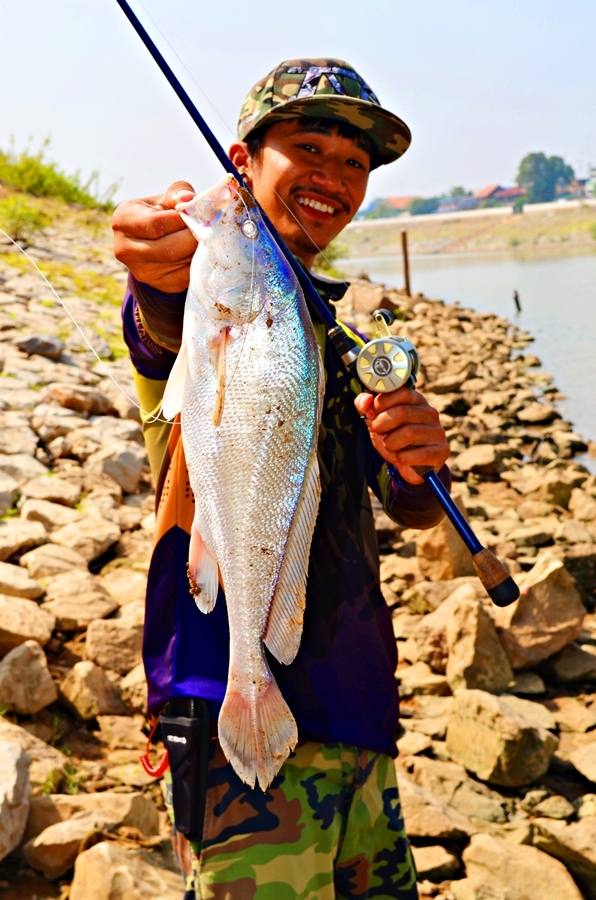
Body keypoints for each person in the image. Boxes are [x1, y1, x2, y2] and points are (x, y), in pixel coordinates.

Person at [113, 58, 450, 900]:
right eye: (309, 146)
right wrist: (155, 281)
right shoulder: (208, 290)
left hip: (359, 716)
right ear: (243, 161)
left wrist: (418, 462)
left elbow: (402, 503)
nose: (334, 178)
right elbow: (161, 334)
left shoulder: (348, 332)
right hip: (228, 725)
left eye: (355, 165)